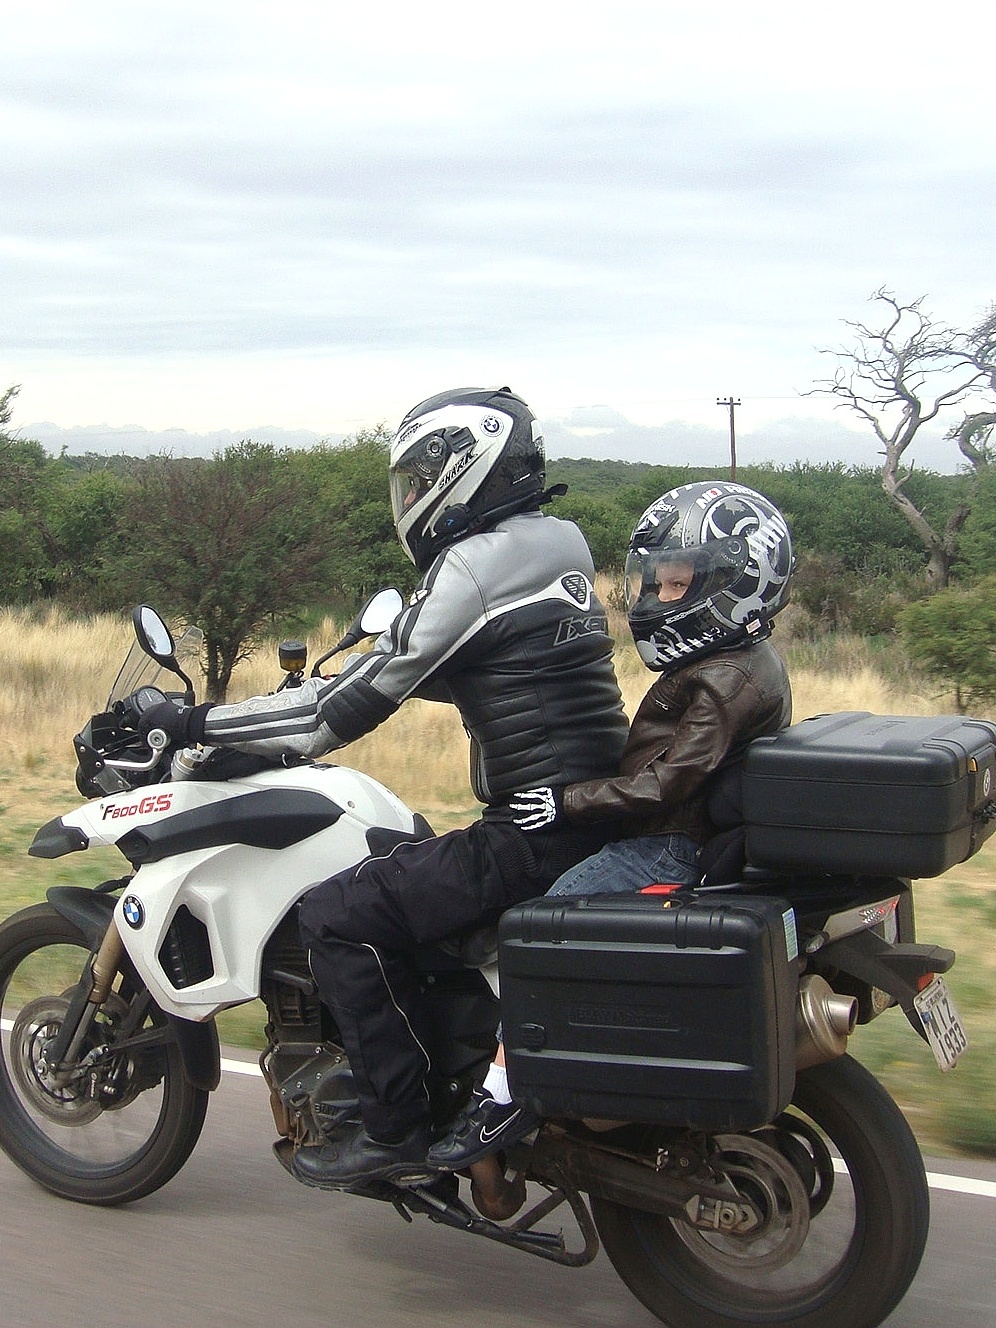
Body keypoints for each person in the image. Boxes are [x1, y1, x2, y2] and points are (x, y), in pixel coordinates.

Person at [139, 386, 629, 1189]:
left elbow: (335, 715)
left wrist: (197, 724)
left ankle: (393, 1125)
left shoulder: (476, 564)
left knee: (336, 913)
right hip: (587, 816)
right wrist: (375, 673)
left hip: (533, 834)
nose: (408, 500)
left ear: (459, 471)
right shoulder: (556, 542)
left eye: (414, 480)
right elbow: (486, 664)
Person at [425, 479, 795, 1171]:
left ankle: (501, 1099)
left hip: (669, 849)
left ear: (738, 582)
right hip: (679, 837)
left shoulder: (725, 678)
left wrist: (567, 802)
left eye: (679, 584)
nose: (657, 598)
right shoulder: (738, 659)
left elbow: (671, 780)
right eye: (656, 581)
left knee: (535, 929)